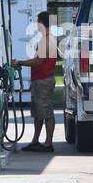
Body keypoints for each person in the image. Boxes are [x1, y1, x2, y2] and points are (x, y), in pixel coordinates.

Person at [12, 10, 58, 152]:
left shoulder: (46, 40)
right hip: (42, 79)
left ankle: (48, 143)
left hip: (43, 80)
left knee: (47, 113)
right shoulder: (48, 38)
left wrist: (20, 62)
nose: (36, 24)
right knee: (39, 113)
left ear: (42, 23)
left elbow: (39, 61)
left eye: (38, 21)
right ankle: (36, 141)